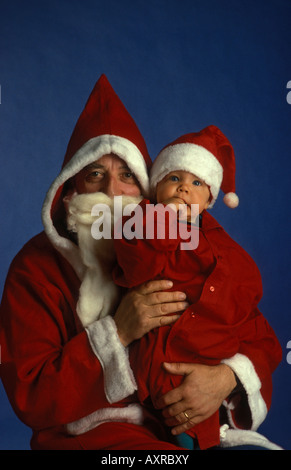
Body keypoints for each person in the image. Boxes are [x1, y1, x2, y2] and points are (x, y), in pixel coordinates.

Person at [0, 75, 281, 450]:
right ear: (69, 191)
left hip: (179, 430)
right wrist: (117, 332)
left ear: (148, 187)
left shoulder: (190, 250)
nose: (113, 192)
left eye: (128, 175)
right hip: (88, 435)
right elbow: (30, 392)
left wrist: (225, 378)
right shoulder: (35, 268)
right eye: (95, 175)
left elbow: (256, 334)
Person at [112, 126, 283, 450]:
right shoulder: (142, 220)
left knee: (202, 401)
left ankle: (212, 430)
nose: (183, 189)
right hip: (167, 347)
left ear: (209, 200)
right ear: (157, 187)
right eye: (174, 179)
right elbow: (134, 265)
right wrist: (161, 223)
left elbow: (243, 282)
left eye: (196, 183)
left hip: (209, 345)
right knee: (179, 408)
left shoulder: (219, 243)